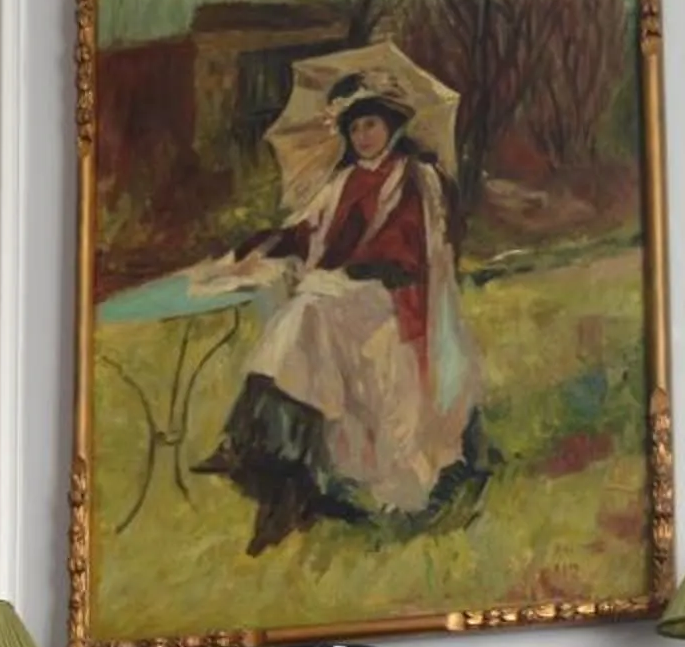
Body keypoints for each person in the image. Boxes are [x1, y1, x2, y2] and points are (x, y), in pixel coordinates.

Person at [201, 78, 489, 557]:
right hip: (342, 297)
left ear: (392, 125)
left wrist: (362, 267)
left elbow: (416, 253)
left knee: (307, 311)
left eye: (370, 124)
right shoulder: (340, 182)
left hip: (389, 299)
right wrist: (264, 242)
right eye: (354, 128)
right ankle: (277, 464)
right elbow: (305, 232)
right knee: (304, 314)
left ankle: (261, 449)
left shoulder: (416, 178)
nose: (362, 136)